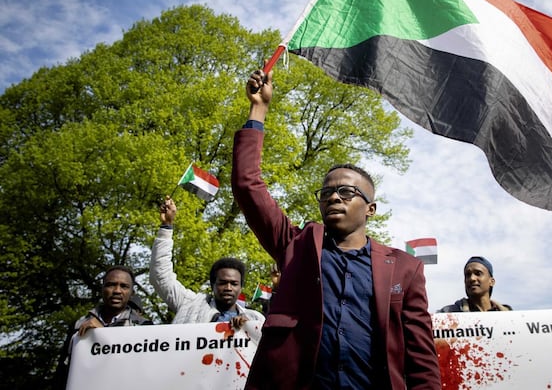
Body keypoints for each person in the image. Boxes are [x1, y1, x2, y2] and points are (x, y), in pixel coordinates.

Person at [231, 68, 441, 390]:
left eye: (346, 192)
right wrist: (258, 109)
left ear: (370, 209)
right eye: (327, 192)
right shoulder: (296, 246)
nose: (334, 197)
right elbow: (248, 186)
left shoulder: (405, 269)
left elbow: (422, 361)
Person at [149, 196, 264, 331]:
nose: (228, 287)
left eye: (234, 283)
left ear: (241, 287)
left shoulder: (256, 319)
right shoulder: (190, 305)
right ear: (212, 284)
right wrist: (166, 226)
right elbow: (161, 276)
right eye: (222, 282)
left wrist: (249, 329)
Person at [55, 266, 152, 388]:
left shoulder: (144, 327)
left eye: (124, 286)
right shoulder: (78, 325)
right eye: (111, 285)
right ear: (102, 289)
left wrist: (103, 334)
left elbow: (142, 372)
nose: (117, 290)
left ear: (131, 293)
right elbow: (63, 372)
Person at [437, 256, 512, 312]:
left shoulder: (510, 317)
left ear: (491, 281)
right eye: (468, 275)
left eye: (478, 273)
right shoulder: (448, 314)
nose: (472, 278)